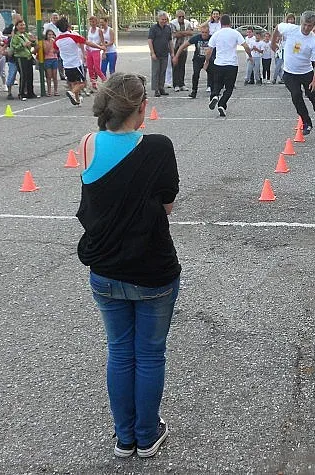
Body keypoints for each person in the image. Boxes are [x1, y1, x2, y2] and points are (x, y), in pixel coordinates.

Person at [76, 72, 179, 460]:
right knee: (149, 354)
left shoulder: (88, 143)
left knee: (120, 352)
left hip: (105, 268)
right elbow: (167, 205)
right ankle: (147, 434)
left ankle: (125, 438)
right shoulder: (158, 146)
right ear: (141, 108)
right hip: (152, 269)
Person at [270, 10, 315, 134]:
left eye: (310, 26)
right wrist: (273, 42)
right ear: (301, 22)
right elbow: (277, 28)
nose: (306, 28)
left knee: (313, 97)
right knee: (296, 95)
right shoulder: (290, 29)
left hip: (306, 72)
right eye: (305, 24)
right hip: (289, 73)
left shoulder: (314, 41)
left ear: (314, 25)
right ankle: (307, 122)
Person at [205, 14, 252, 118]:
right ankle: (222, 104)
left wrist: (207, 61)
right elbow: (245, 46)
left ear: (221, 23)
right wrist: (250, 56)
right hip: (231, 64)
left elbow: (209, 50)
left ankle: (215, 95)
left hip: (219, 63)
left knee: (217, 84)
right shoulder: (235, 33)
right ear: (230, 23)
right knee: (229, 87)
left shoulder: (216, 34)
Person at [173, 23, 212, 99]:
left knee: (212, 74)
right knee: (195, 74)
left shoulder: (212, 38)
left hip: (208, 59)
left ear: (209, 32)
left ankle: (213, 90)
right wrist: (176, 56)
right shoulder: (196, 38)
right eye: (203, 32)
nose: (204, 34)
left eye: (206, 32)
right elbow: (182, 46)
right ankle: (194, 91)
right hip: (197, 60)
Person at [55, 18, 88, 106]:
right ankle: (72, 92)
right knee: (83, 83)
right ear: (68, 26)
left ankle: (77, 100)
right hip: (76, 64)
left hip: (67, 65)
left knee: (74, 83)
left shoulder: (57, 39)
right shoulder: (73, 36)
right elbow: (86, 42)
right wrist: (100, 47)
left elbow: (55, 50)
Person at [11, 18, 37, 100]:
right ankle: (21, 93)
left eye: (24, 25)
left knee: (30, 75)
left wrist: (33, 41)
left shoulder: (26, 35)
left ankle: (30, 92)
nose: (23, 26)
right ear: (17, 27)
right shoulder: (15, 37)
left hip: (28, 56)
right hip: (20, 57)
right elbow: (14, 47)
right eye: (21, 25)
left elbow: (32, 44)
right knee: (23, 75)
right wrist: (23, 45)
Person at [148, 12, 173, 97]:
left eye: (165, 19)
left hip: (165, 53)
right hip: (156, 53)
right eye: (162, 19)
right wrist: (152, 53)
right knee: (156, 72)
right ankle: (156, 89)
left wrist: (172, 52)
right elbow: (150, 40)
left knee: (163, 71)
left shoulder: (168, 28)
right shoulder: (153, 28)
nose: (164, 21)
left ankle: (161, 87)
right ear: (158, 19)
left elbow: (170, 41)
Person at [169, 10, 192, 91]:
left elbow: (191, 33)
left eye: (183, 16)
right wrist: (185, 32)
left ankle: (182, 84)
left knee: (182, 66)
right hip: (175, 47)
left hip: (184, 47)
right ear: (176, 16)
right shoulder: (172, 23)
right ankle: (176, 84)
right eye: (180, 17)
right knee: (175, 66)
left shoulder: (187, 23)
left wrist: (180, 33)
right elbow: (174, 34)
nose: (181, 18)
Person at [86, 16, 107, 91]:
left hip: (96, 50)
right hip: (89, 50)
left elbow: (103, 42)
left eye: (93, 22)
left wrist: (104, 52)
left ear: (96, 22)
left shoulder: (99, 30)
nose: (92, 23)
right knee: (90, 68)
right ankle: (93, 84)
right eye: (90, 22)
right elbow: (88, 40)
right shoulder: (89, 30)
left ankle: (105, 81)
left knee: (97, 68)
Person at [43, 30, 60, 96]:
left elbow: (57, 51)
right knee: (49, 76)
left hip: (54, 59)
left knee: (55, 76)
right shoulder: (45, 42)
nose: (50, 36)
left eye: (52, 34)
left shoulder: (55, 41)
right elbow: (46, 51)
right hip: (47, 59)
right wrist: (50, 43)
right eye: (49, 35)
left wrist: (55, 46)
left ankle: (56, 91)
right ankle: (49, 91)